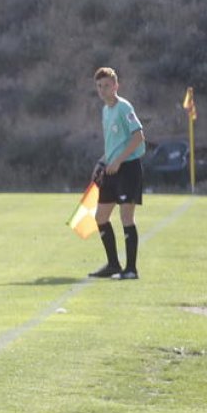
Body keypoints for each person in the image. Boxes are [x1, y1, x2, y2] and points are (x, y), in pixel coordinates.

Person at [88, 67, 145, 281]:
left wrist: (119, 161)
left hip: (128, 168)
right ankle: (113, 265)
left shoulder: (124, 107)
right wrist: (102, 162)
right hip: (111, 168)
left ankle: (131, 270)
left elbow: (138, 137)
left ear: (116, 86)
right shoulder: (105, 110)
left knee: (126, 217)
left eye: (107, 85)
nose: (103, 90)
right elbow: (113, 143)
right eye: (99, 86)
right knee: (100, 216)